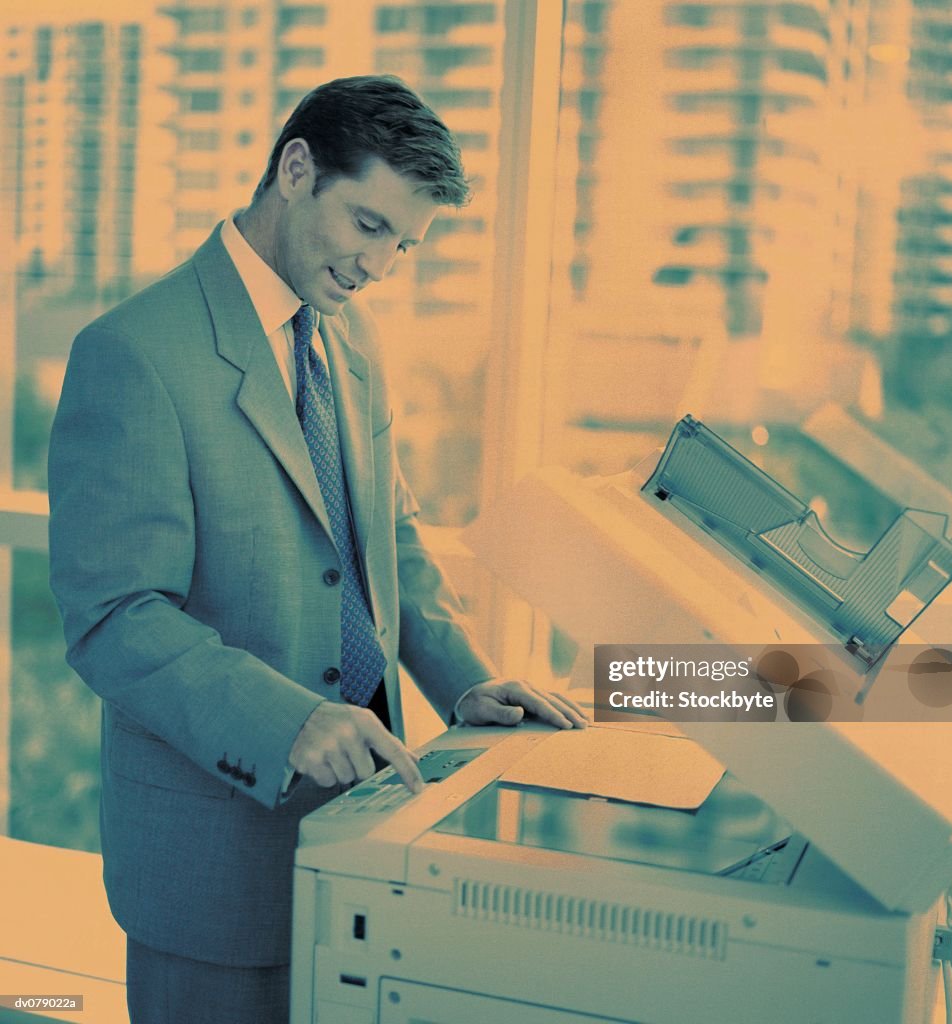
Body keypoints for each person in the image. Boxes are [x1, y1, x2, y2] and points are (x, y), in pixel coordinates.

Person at [48, 75, 587, 1024]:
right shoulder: (131, 351)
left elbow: (388, 535)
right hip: (213, 866)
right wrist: (283, 718)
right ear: (296, 169)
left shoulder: (353, 337)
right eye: (369, 226)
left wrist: (462, 680)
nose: (383, 266)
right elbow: (114, 618)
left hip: (367, 843)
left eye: (407, 246)